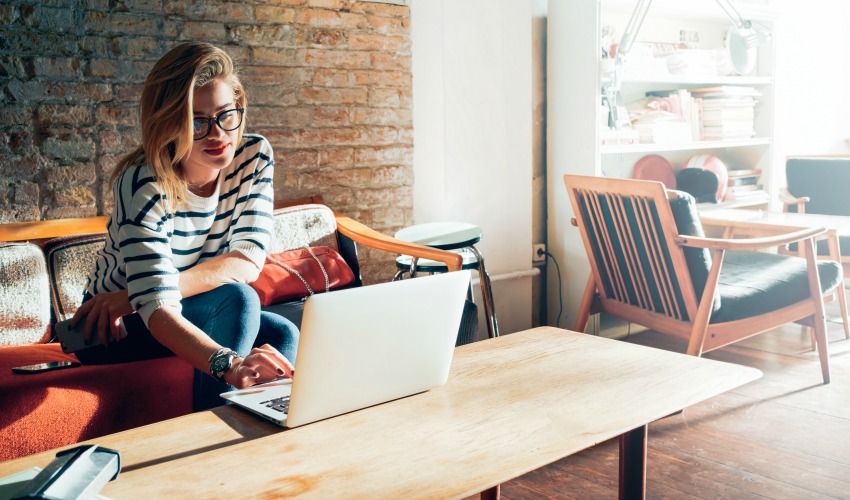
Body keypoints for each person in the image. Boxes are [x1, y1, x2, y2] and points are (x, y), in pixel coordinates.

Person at [71, 42, 298, 411]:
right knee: (239, 299)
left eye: (226, 114)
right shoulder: (143, 183)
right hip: (108, 326)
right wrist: (233, 366)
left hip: (152, 301)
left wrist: (136, 293)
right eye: (197, 121)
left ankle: (266, 438)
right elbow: (158, 309)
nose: (217, 133)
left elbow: (247, 261)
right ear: (170, 124)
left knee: (282, 332)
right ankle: (211, 443)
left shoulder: (253, 157)